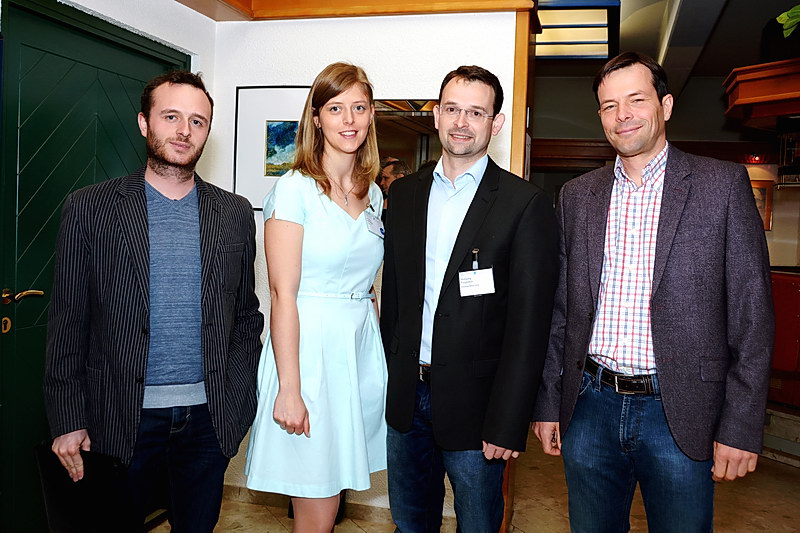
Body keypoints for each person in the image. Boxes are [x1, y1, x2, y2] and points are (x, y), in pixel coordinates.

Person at [533, 52, 774, 532]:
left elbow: (753, 314)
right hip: (590, 406)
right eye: (609, 106)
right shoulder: (577, 196)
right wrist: (548, 402)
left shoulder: (722, 185)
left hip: (681, 409)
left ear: (665, 105)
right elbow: (561, 310)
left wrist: (741, 425)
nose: (622, 115)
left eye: (636, 100)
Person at [45, 70, 264, 532]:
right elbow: (68, 319)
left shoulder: (234, 212)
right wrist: (67, 418)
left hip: (209, 419)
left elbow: (246, 314)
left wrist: (239, 398)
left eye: (198, 121)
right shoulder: (90, 207)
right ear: (144, 123)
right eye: (171, 117)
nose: (184, 131)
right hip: (117, 416)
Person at [380, 65, 559, 532]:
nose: (461, 122)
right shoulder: (405, 195)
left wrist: (508, 420)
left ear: (495, 123)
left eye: (476, 112)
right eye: (452, 109)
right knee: (409, 523)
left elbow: (529, 326)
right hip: (407, 399)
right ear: (436, 115)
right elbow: (394, 301)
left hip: (479, 409)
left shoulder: (524, 203)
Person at [245, 62, 387, 532]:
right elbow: (281, 295)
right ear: (317, 117)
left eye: (359, 108)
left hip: (356, 351)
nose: (349, 119)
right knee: (315, 498)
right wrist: (290, 388)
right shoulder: (294, 190)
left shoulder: (373, 194)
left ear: (371, 115)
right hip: (308, 353)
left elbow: (368, 284)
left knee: (335, 487)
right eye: (336, 108)